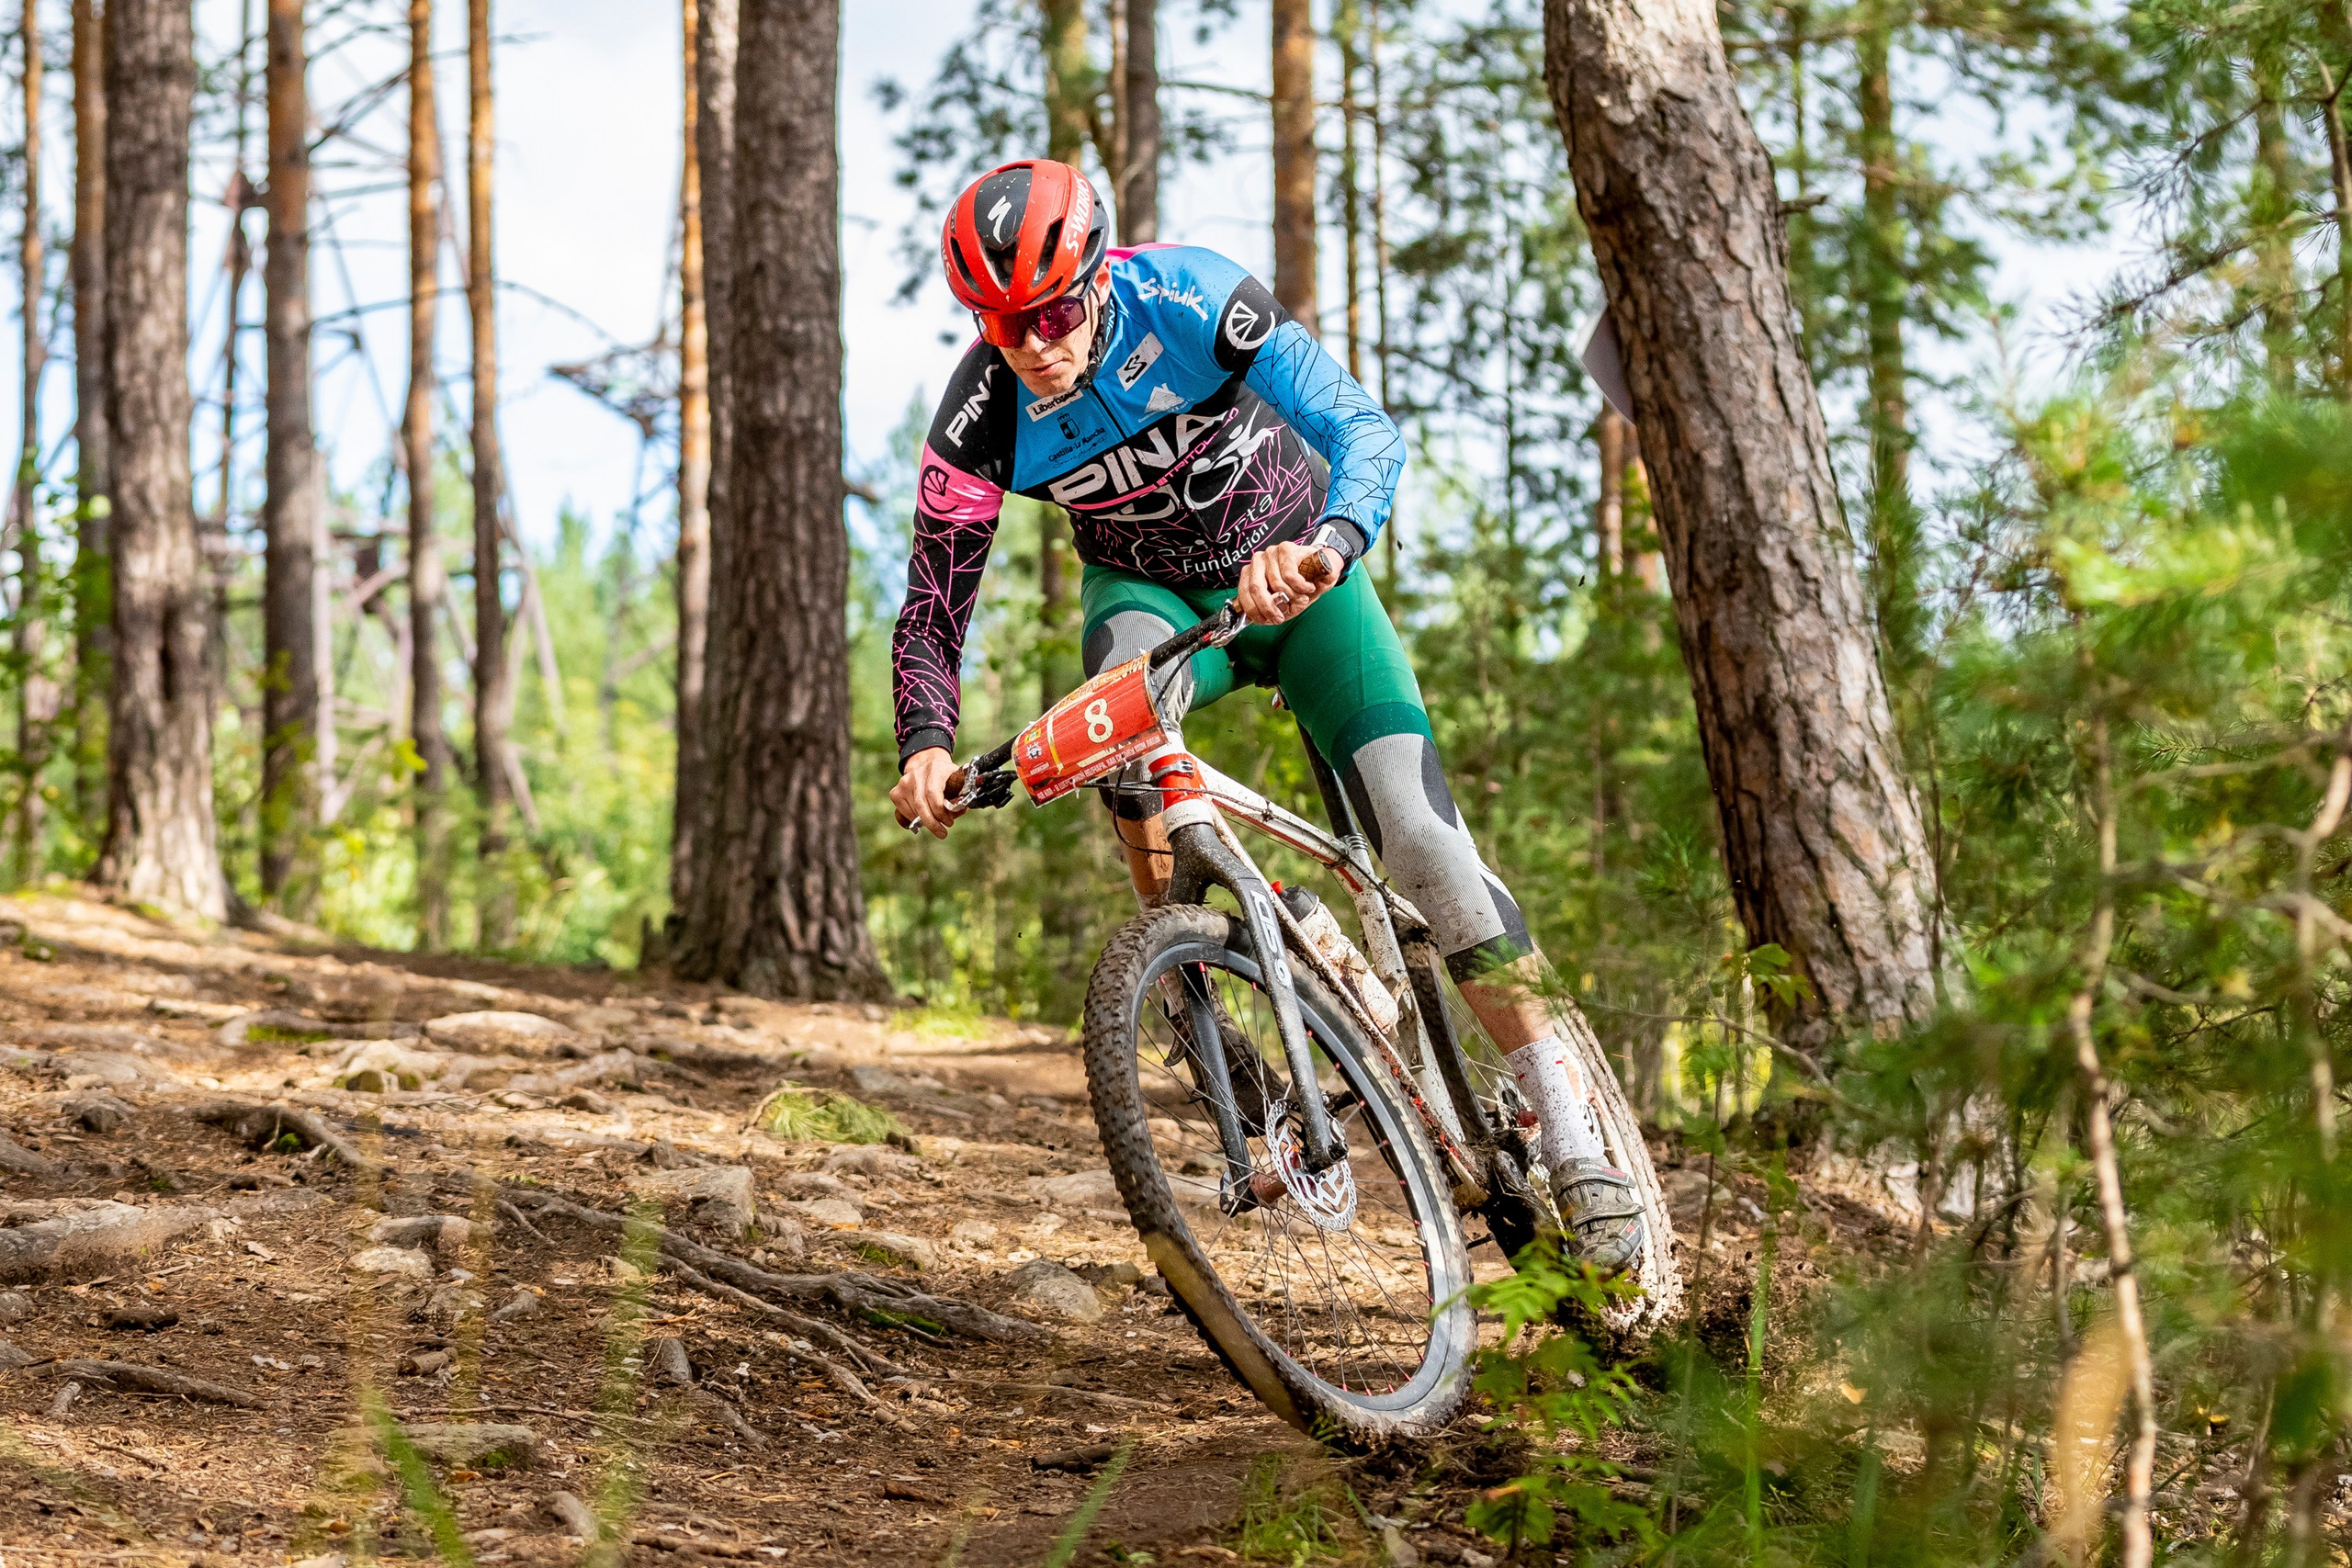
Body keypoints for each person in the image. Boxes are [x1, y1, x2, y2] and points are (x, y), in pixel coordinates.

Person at [886, 158, 1645, 1274]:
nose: (1033, 342)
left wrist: (1329, 544)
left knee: (1425, 842)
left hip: (1300, 585)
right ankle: (1218, 1011)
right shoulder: (979, 419)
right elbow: (933, 599)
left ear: (1096, 277)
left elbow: (1361, 427)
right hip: (1150, 600)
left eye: (1049, 311)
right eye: (1001, 325)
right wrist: (926, 744)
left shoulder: (1192, 296)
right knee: (1121, 752)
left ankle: (1571, 1128)